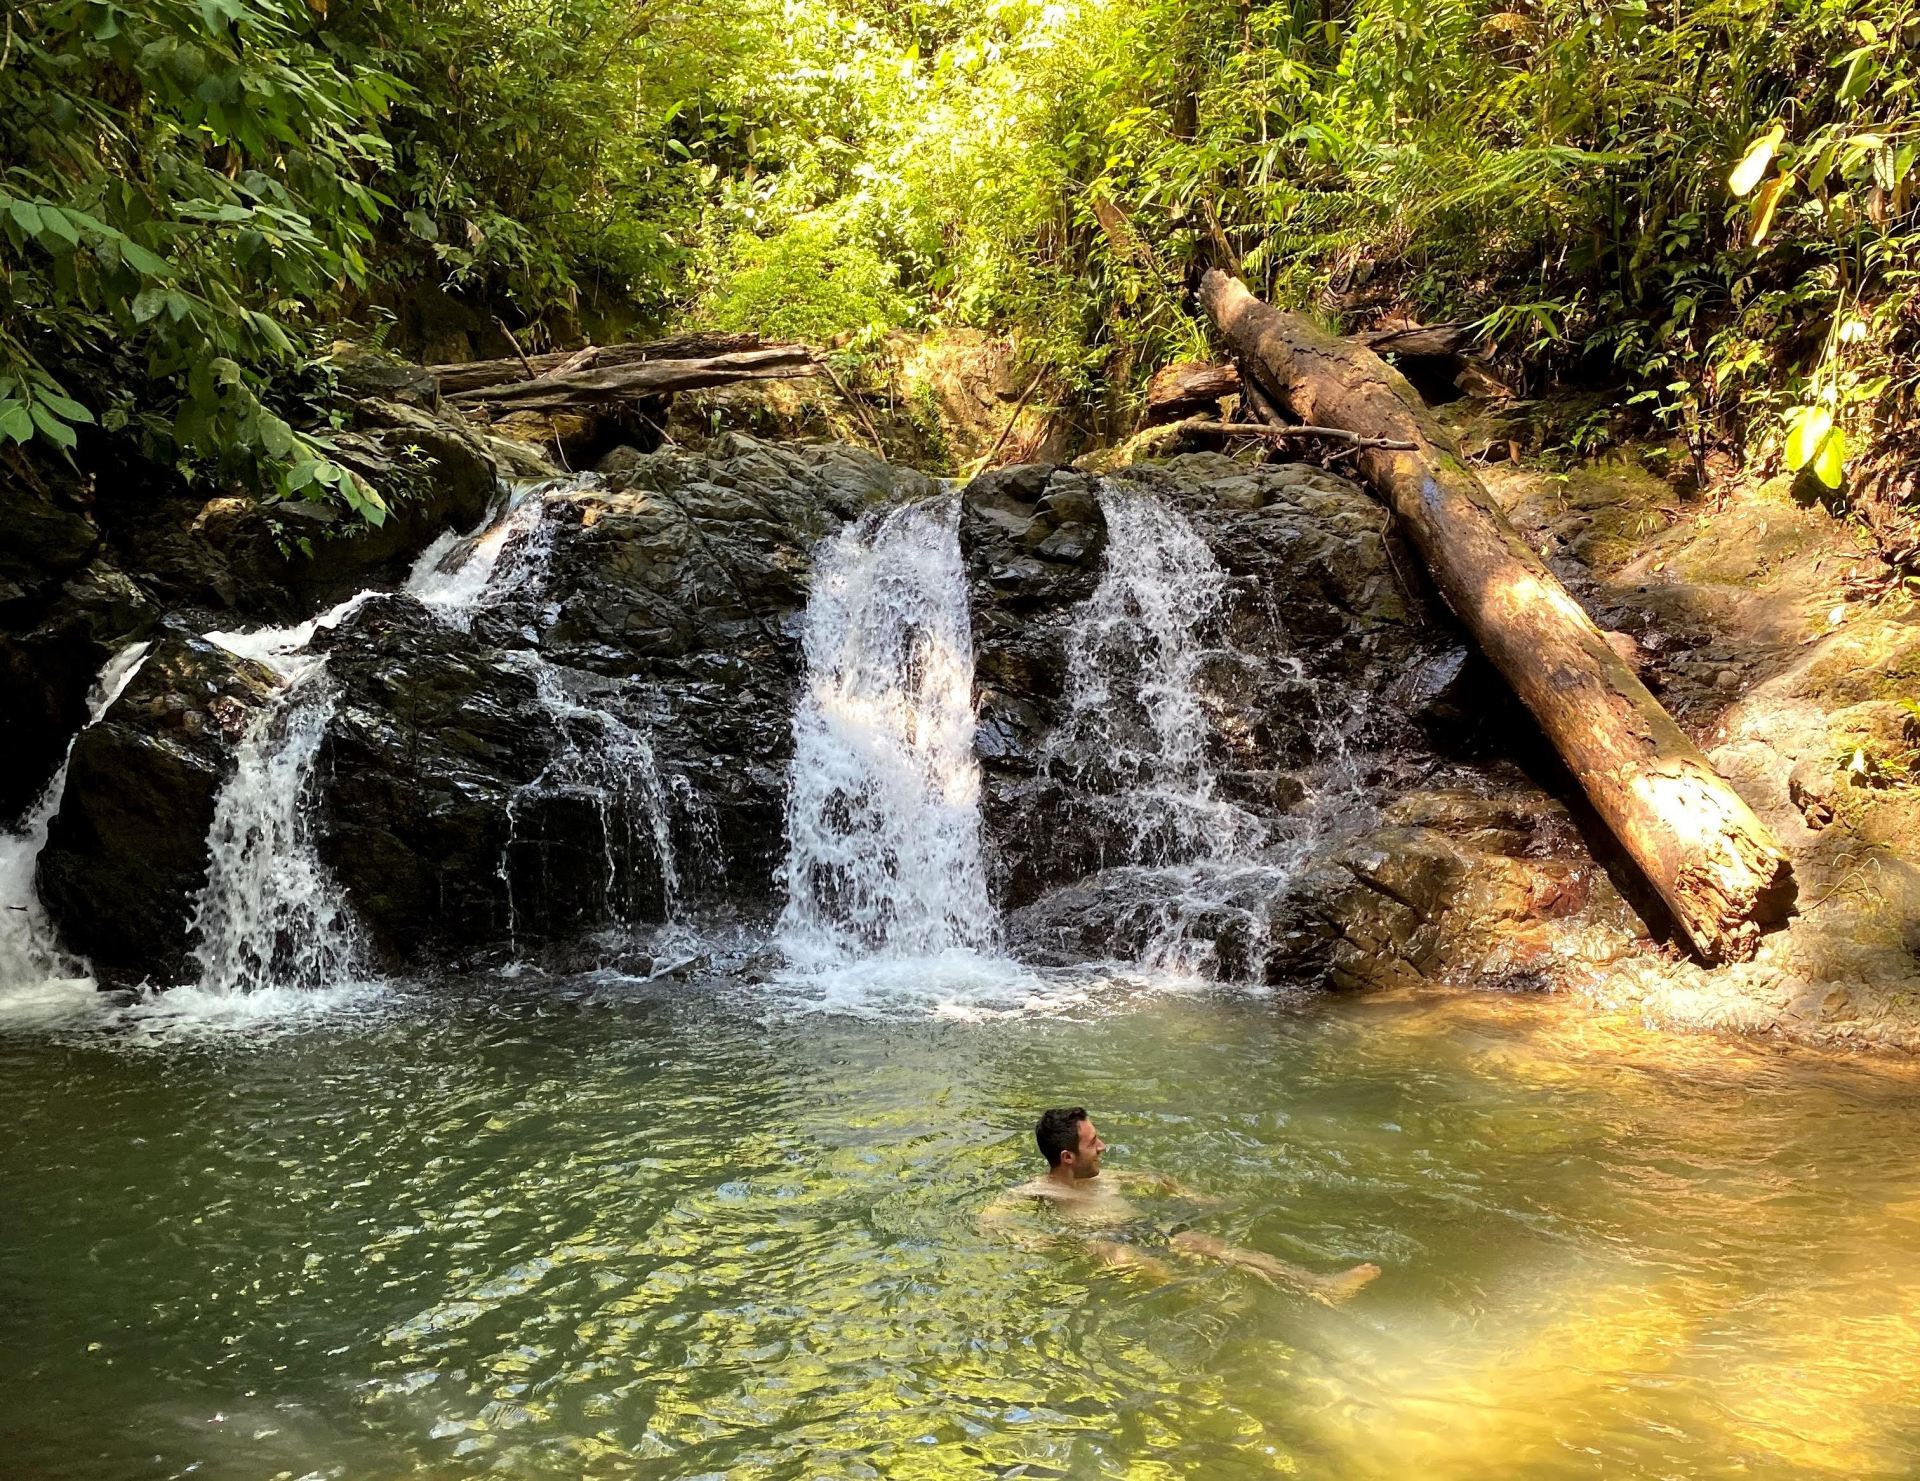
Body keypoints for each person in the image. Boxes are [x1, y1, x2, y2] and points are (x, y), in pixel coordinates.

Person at [983, 1106, 1380, 1302]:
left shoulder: (1105, 1177)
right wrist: (1034, 1241)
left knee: (1207, 1244)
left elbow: (1154, 1178)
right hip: (1098, 1242)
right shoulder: (1039, 1191)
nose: (1103, 1146)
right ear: (1067, 1157)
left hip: (1144, 1229)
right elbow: (989, 1219)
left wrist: (1191, 1196)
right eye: (1093, 1142)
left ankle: (1319, 1286)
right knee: (1120, 1256)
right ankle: (1211, 1300)